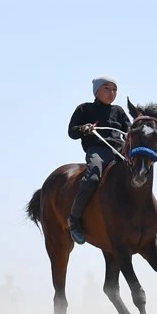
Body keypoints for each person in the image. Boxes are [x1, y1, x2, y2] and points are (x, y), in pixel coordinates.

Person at [65, 76, 131, 244]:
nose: (112, 93)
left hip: (119, 152)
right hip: (98, 152)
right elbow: (72, 132)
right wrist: (83, 128)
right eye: (107, 88)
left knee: (138, 174)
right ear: (96, 91)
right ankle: (74, 219)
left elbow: (129, 130)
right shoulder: (84, 109)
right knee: (93, 176)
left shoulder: (119, 111)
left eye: (115, 90)